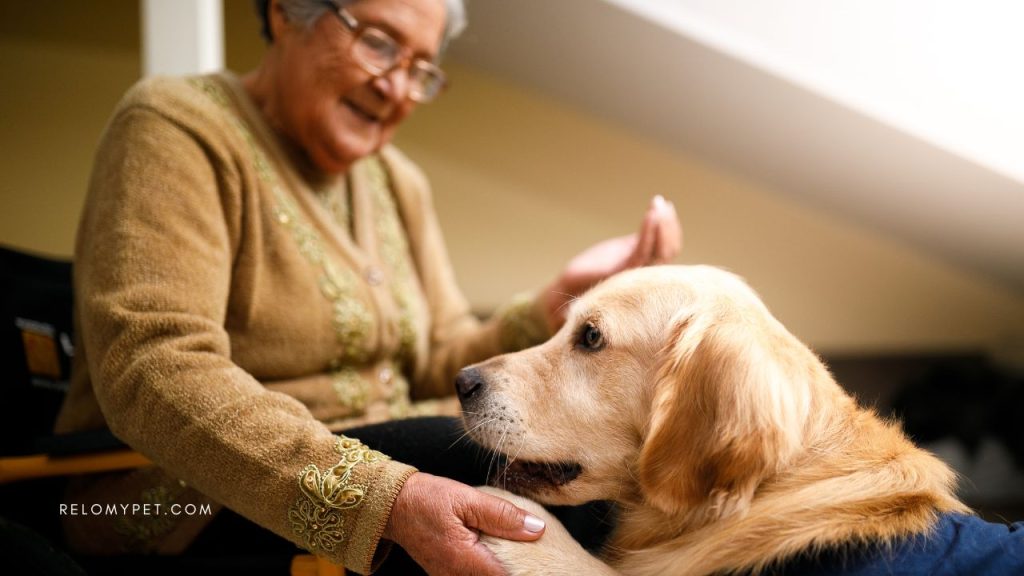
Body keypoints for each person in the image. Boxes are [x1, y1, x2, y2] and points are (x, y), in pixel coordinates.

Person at [53, 0, 681, 574]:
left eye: (421, 70)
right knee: (482, 465)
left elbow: (442, 360)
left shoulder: (397, 181)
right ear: (284, 14)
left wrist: (553, 303)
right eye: (379, 44)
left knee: (600, 485)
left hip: (394, 456)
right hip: (187, 509)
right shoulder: (175, 126)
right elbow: (150, 367)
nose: (396, 88)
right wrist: (382, 498)